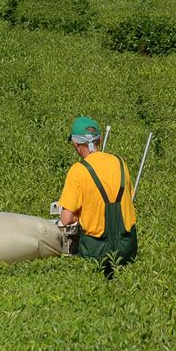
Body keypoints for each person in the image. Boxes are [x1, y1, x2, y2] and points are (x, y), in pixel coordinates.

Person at [57, 115, 137, 274]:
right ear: (99, 140)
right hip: (127, 248)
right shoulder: (120, 162)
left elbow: (65, 219)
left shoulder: (78, 171)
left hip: (96, 250)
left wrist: (79, 215)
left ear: (76, 144)